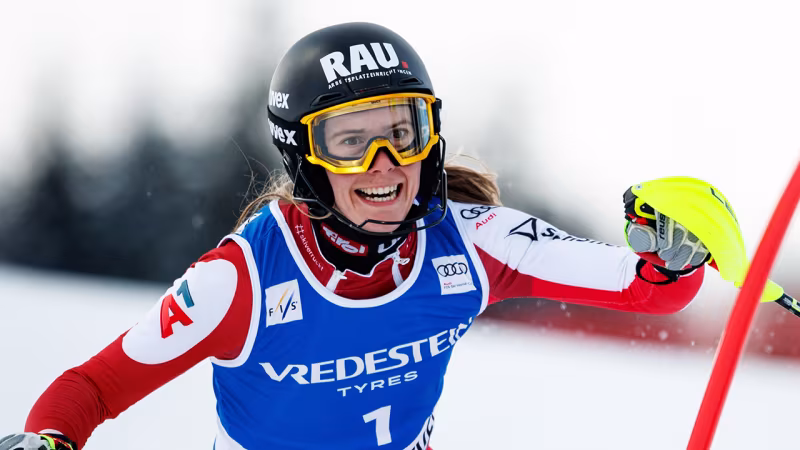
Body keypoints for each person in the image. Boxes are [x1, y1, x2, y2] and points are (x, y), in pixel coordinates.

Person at [1, 22, 710, 450]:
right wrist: (50, 439)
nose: (384, 164)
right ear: (304, 157)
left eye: (402, 133)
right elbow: (93, 385)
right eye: (350, 142)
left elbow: (646, 289)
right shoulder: (240, 280)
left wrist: (672, 253)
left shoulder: (474, 241)